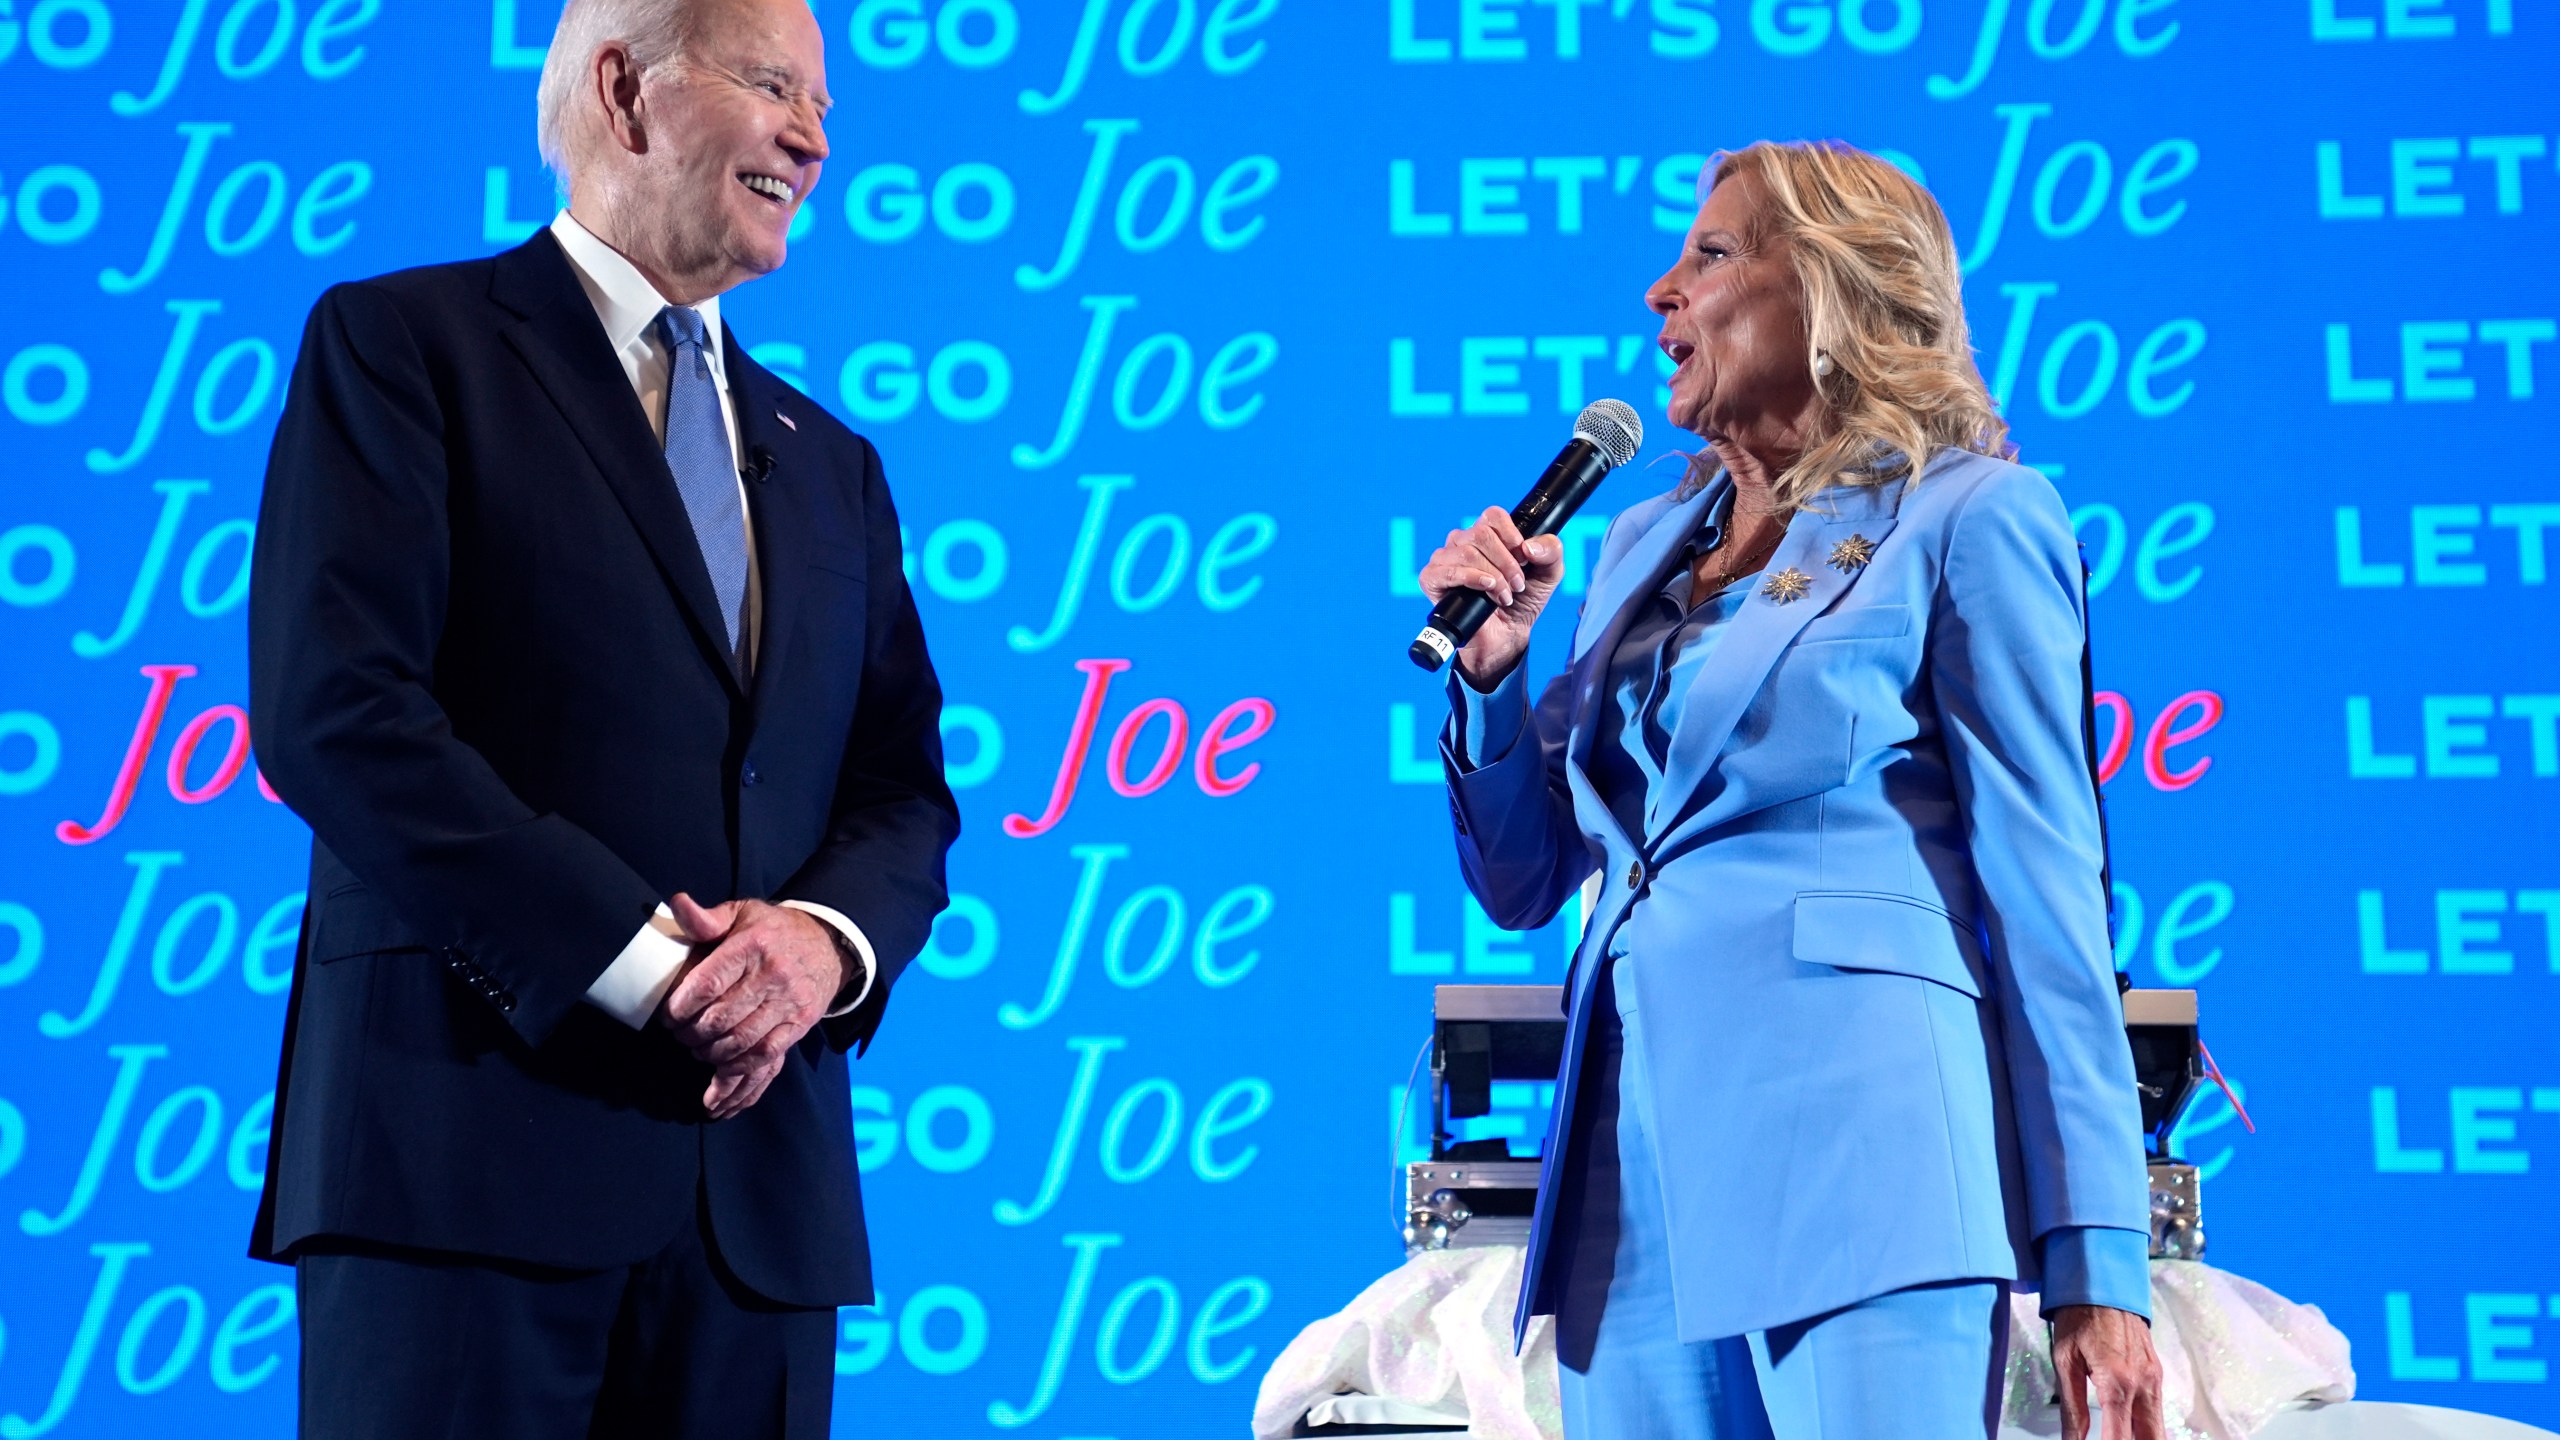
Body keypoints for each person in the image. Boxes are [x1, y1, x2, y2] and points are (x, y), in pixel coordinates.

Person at [245, 0, 958, 1434]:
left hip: (754, 1212)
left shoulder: (834, 465)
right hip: (462, 1167)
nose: (814, 138)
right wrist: (648, 966)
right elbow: (341, 712)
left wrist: (815, 954)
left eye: (825, 104)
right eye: (772, 86)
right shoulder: (405, 347)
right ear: (626, 90)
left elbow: (901, 791)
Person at [1419, 141, 2166, 1440]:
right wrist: (1493, 673)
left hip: (1863, 1166)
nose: (1661, 290)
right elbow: (1524, 879)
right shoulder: (1644, 545)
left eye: (1710, 256)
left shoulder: (1971, 516)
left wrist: (2097, 1260)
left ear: (1831, 291)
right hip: (1633, 1195)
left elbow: (2051, 901)